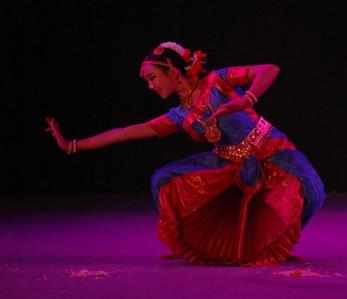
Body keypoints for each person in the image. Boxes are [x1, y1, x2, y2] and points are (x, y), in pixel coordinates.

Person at [45, 41, 325, 266]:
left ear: (170, 68)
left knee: (314, 193)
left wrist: (246, 99)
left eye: (153, 78)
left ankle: (277, 242)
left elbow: (270, 69)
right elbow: (127, 131)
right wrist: (73, 145)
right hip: (229, 162)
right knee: (162, 180)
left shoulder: (217, 81)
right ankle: (197, 244)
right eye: (147, 82)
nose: (151, 86)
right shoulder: (179, 115)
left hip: (271, 147)